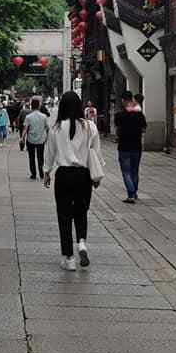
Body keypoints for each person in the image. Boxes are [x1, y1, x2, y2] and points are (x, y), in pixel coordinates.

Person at [43, 91, 101, 270]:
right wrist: (96, 176)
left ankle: (68, 258)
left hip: (64, 175)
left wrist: (46, 171)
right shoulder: (90, 126)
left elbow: (50, 152)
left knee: (64, 216)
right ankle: (82, 242)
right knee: (81, 211)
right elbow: (96, 153)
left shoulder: (57, 128)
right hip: (83, 175)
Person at [114, 92, 147, 203]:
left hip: (123, 147)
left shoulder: (119, 115)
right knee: (135, 171)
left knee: (126, 171)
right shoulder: (140, 115)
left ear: (123, 101)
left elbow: (117, 128)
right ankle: (134, 192)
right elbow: (143, 129)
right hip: (136, 147)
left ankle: (131, 193)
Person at [21, 98, 49, 180]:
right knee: (40, 157)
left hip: (31, 140)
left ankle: (33, 174)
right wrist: (47, 137)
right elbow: (47, 128)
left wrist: (22, 137)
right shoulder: (44, 116)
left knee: (31, 157)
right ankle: (41, 173)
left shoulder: (28, 117)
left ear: (31, 106)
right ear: (39, 106)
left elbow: (25, 128)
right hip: (41, 140)